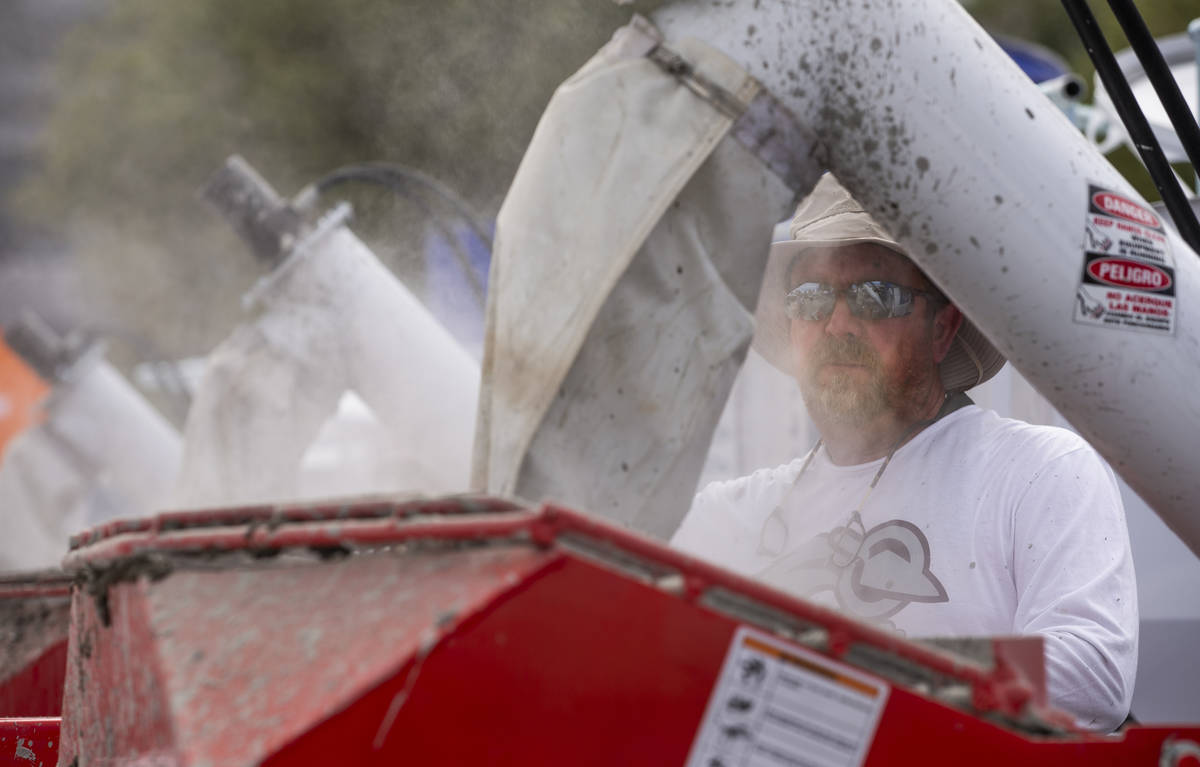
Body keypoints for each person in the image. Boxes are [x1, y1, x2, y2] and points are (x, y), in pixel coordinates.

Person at [670, 173, 1137, 731]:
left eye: (876, 295)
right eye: (811, 296)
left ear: (943, 328)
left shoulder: (1038, 470)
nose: (837, 322)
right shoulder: (729, 514)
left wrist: (851, 671)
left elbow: (1095, 674)